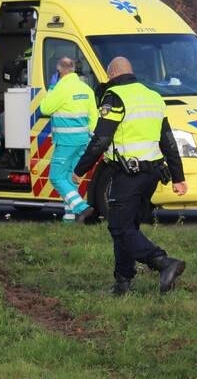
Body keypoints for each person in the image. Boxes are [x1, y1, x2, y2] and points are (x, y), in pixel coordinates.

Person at [73, 57, 188, 296]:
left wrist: (80, 169)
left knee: (118, 227)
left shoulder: (115, 97)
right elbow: (168, 140)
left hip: (129, 174)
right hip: (152, 174)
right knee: (128, 226)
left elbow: (101, 139)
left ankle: (163, 262)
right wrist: (178, 176)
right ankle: (122, 282)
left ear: (111, 74)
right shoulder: (153, 96)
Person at [40, 57, 98, 223]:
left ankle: (81, 207)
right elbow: (94, 118)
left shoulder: (60, 88)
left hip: (66, 141)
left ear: (59, 71)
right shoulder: (86, 88)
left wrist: (52, 88)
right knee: (71, 178)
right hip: (83, 141)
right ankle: (69, 218)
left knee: (56, 177)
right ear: (73, 69)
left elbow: (45, 108)